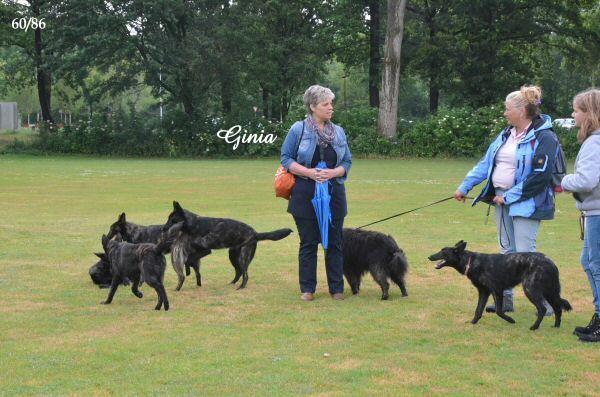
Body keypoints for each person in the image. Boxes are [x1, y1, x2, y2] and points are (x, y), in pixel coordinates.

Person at [454, 85, 558, 314]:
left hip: (528, 203)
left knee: (526, 254)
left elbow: (539, 177)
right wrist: (465, 186)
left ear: (522, 110)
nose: (504, 113)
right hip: (501, 199)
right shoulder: (505, 134)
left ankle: (546, 303)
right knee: (506, 252)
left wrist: (508, 197)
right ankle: (505, 301)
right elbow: (486, 163)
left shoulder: (544, 136)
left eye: (507, 109)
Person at [280, 85, 352, 301]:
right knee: (309, 242)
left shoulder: (338, 131)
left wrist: (333, 173)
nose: (331, 108)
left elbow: (347, 161)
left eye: (331, 103)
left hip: (334, 193)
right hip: (305, 193)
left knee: (335, 243)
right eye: (326, 104)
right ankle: (308, 289)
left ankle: (337, 289)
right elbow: (286, 158)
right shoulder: (298, 129)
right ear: (313, 107)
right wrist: (309, 173)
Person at [561, 88, 600, 342]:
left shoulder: (594, 142)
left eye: (576, 110)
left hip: (597, 212)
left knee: (596, 265)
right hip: (593, 211)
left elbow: (586, 180)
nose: (573, 115)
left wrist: (564, 181)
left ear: (589, 114)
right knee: (588, 262)